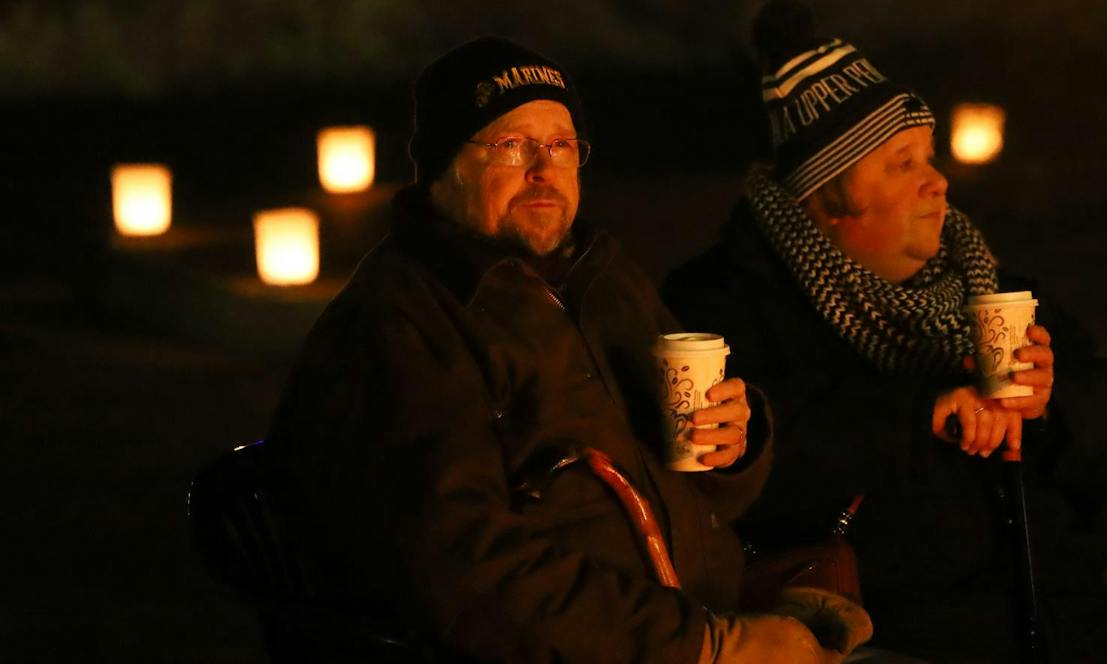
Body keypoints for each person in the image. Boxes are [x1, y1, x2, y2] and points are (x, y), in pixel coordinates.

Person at [268, 36, 871, 664]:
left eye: (561, 145)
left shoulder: (601, 278)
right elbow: (463, 569)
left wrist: (732, 448)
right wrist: (710, 646)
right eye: (511, 145)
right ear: (446, 166)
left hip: (698, 619)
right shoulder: (402, 322)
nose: (543, 168)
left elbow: (707, 495)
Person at [662, 2, 1107, 663]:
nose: (938, 182)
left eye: (929, 156)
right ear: (827, 198)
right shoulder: (724, 304)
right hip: (877, 638)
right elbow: (735, 473)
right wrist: (918, 417)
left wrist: (1047, 409)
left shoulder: (985, 282)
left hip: (1063, 622)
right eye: (902, 164)